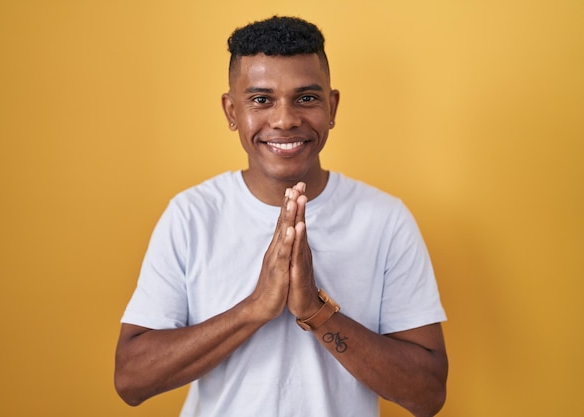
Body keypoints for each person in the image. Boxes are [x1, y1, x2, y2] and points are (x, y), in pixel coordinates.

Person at [115, 15, 448, 417]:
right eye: (261, 99)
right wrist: (254, 308)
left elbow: (428, 393)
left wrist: (316, 311)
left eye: (306, 98)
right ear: (231, 110)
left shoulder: (385, 220)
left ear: (332, 106)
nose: (285, 119)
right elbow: (131, 380)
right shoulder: (191, 216)